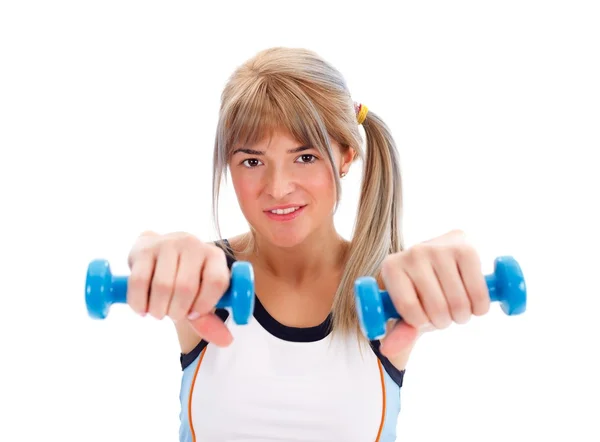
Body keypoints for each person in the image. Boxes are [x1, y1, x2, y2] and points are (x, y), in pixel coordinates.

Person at [125, 47, 492, 442]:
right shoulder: (201, 284)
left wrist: (454, 254)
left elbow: (441, 260)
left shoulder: (391, 294)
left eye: (305, 157)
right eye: (252, 161)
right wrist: (153, 248)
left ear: (346, 156)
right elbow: (159, 248)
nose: (279, 188)